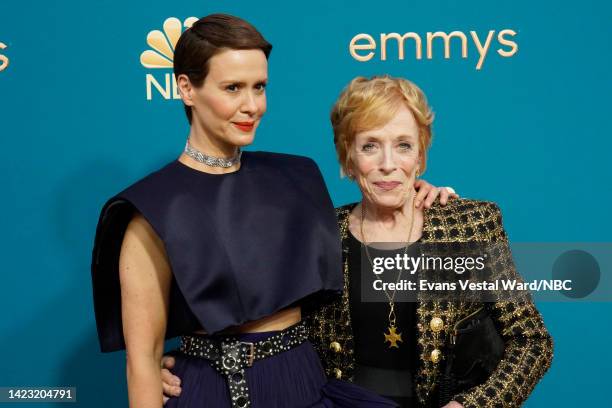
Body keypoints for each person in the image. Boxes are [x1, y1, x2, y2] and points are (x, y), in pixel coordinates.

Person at [91, 15, 450, 408]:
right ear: (186, 88)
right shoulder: (153, 208)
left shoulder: (296, 176)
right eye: (233, 88)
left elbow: (359, 241)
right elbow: (142, 362)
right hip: (211, 392)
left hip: (303, 383)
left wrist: (412, 198)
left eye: (259, 87)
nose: (251, 106)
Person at [161, 76, 553, 407]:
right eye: (370, 145)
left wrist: (470, 407)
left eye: (403, 145)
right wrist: (191, 365)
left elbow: (531, 342)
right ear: (347, 157)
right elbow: (269, 333)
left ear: (421, 154)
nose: (388, 163)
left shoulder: (470, 225)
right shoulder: (318, 234)